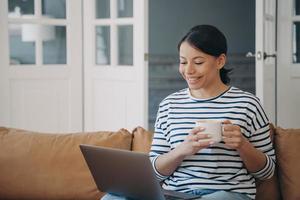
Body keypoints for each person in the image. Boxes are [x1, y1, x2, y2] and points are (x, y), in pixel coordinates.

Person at [102, 25, 275, 200]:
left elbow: (267, 172)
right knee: (112, 198)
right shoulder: (169, 105)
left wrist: (242, 145)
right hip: (174, 195)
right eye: (183, 62)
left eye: (198, 62)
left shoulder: (247, 104)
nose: (189, 70)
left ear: (220, 61)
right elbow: (155, 172)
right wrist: (182, 150)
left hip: (226, 194)